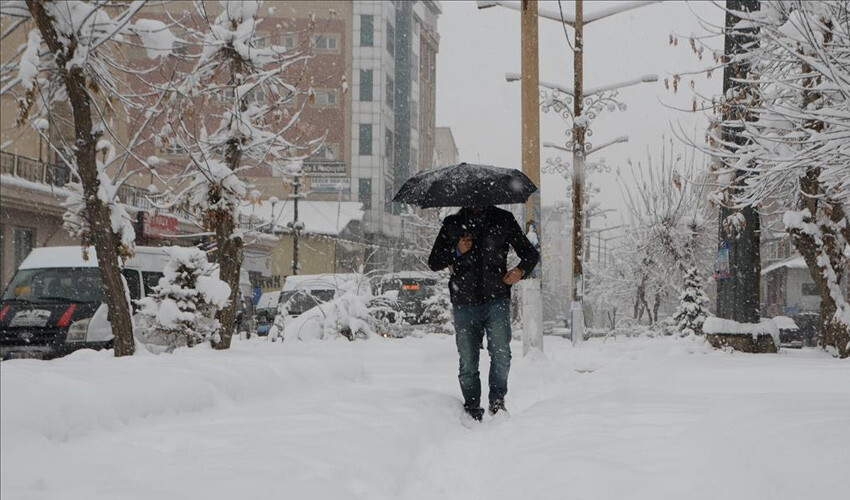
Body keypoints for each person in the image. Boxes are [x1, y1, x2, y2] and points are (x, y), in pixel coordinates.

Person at [428, 206, 539, 421]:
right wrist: (457, 251)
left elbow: (530, 254)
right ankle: (472, 408)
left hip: (496, 298)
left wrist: (520, 271)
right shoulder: (453, 224)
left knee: (501, 354)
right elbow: (434, 262)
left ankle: (497, 401)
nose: (477, 201)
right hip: (464, 302)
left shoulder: (503, 220)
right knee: (468, 360)